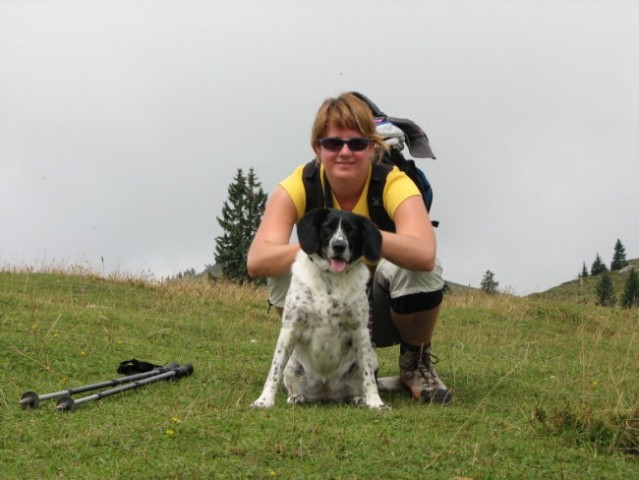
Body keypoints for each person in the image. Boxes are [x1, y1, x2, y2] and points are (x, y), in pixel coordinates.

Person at [247, 92, 451, 404]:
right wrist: (315, 245)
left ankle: (415, 364)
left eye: (356, 143)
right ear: (318, 147)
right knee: (282, 266)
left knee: (421, 268)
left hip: (379, 310)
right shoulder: (300, 184)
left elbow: (425, 254)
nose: (345, 152)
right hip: (318, 316)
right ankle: (307, 362)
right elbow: (258, 260)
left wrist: (367, 237)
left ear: (373, 147)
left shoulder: (393, 182)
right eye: (332, 143)